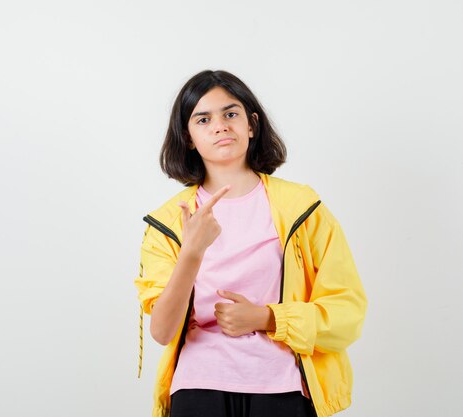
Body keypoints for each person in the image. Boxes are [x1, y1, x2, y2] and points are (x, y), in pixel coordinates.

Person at [134, 70, 367, 417]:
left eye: (231, 114)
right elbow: (163, 331)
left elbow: (348, 312)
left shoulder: (302, 208)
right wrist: (192, 252)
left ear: (252, 125)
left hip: (283, 389)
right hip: (199, 390)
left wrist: (267, 318)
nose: (220, 126)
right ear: (188, 137)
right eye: (203, 118)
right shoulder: (168, 222)